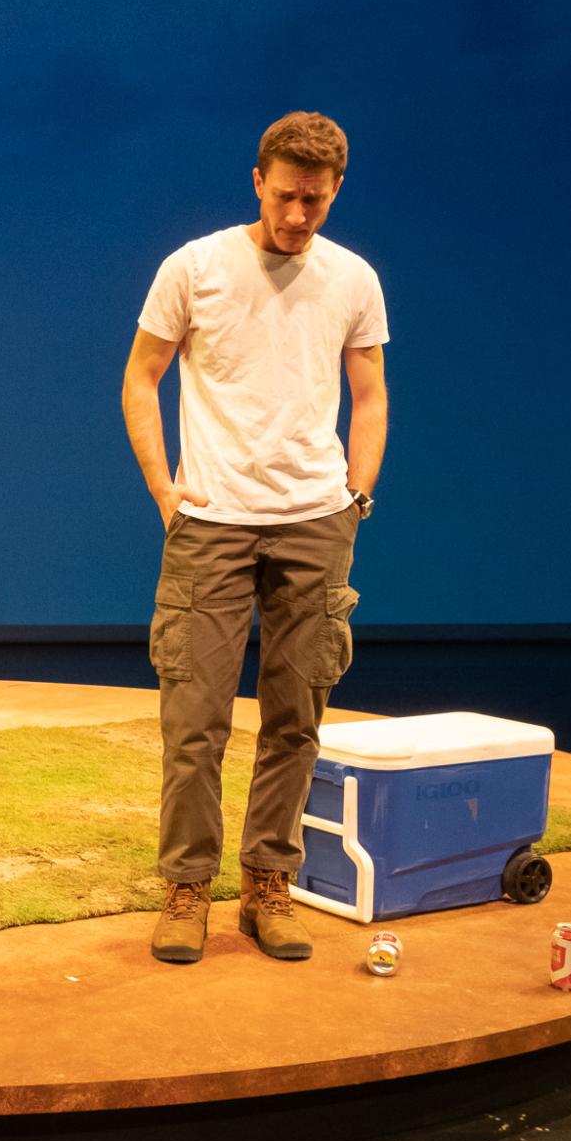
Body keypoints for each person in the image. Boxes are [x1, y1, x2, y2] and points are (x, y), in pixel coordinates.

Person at [120, 112, 389, 964]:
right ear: (256, 181)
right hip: (213, 523)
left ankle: (268, 882)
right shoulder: (196, 267)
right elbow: (141, 376)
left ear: (335, 189)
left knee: (296, 716)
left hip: (315, 521)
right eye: (284, 196)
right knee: (193, 721)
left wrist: (357, 494)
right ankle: (189, 888)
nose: (298, 216)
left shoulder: (352, 278)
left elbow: (370, 391)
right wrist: (166, 490)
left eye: (315, 199)